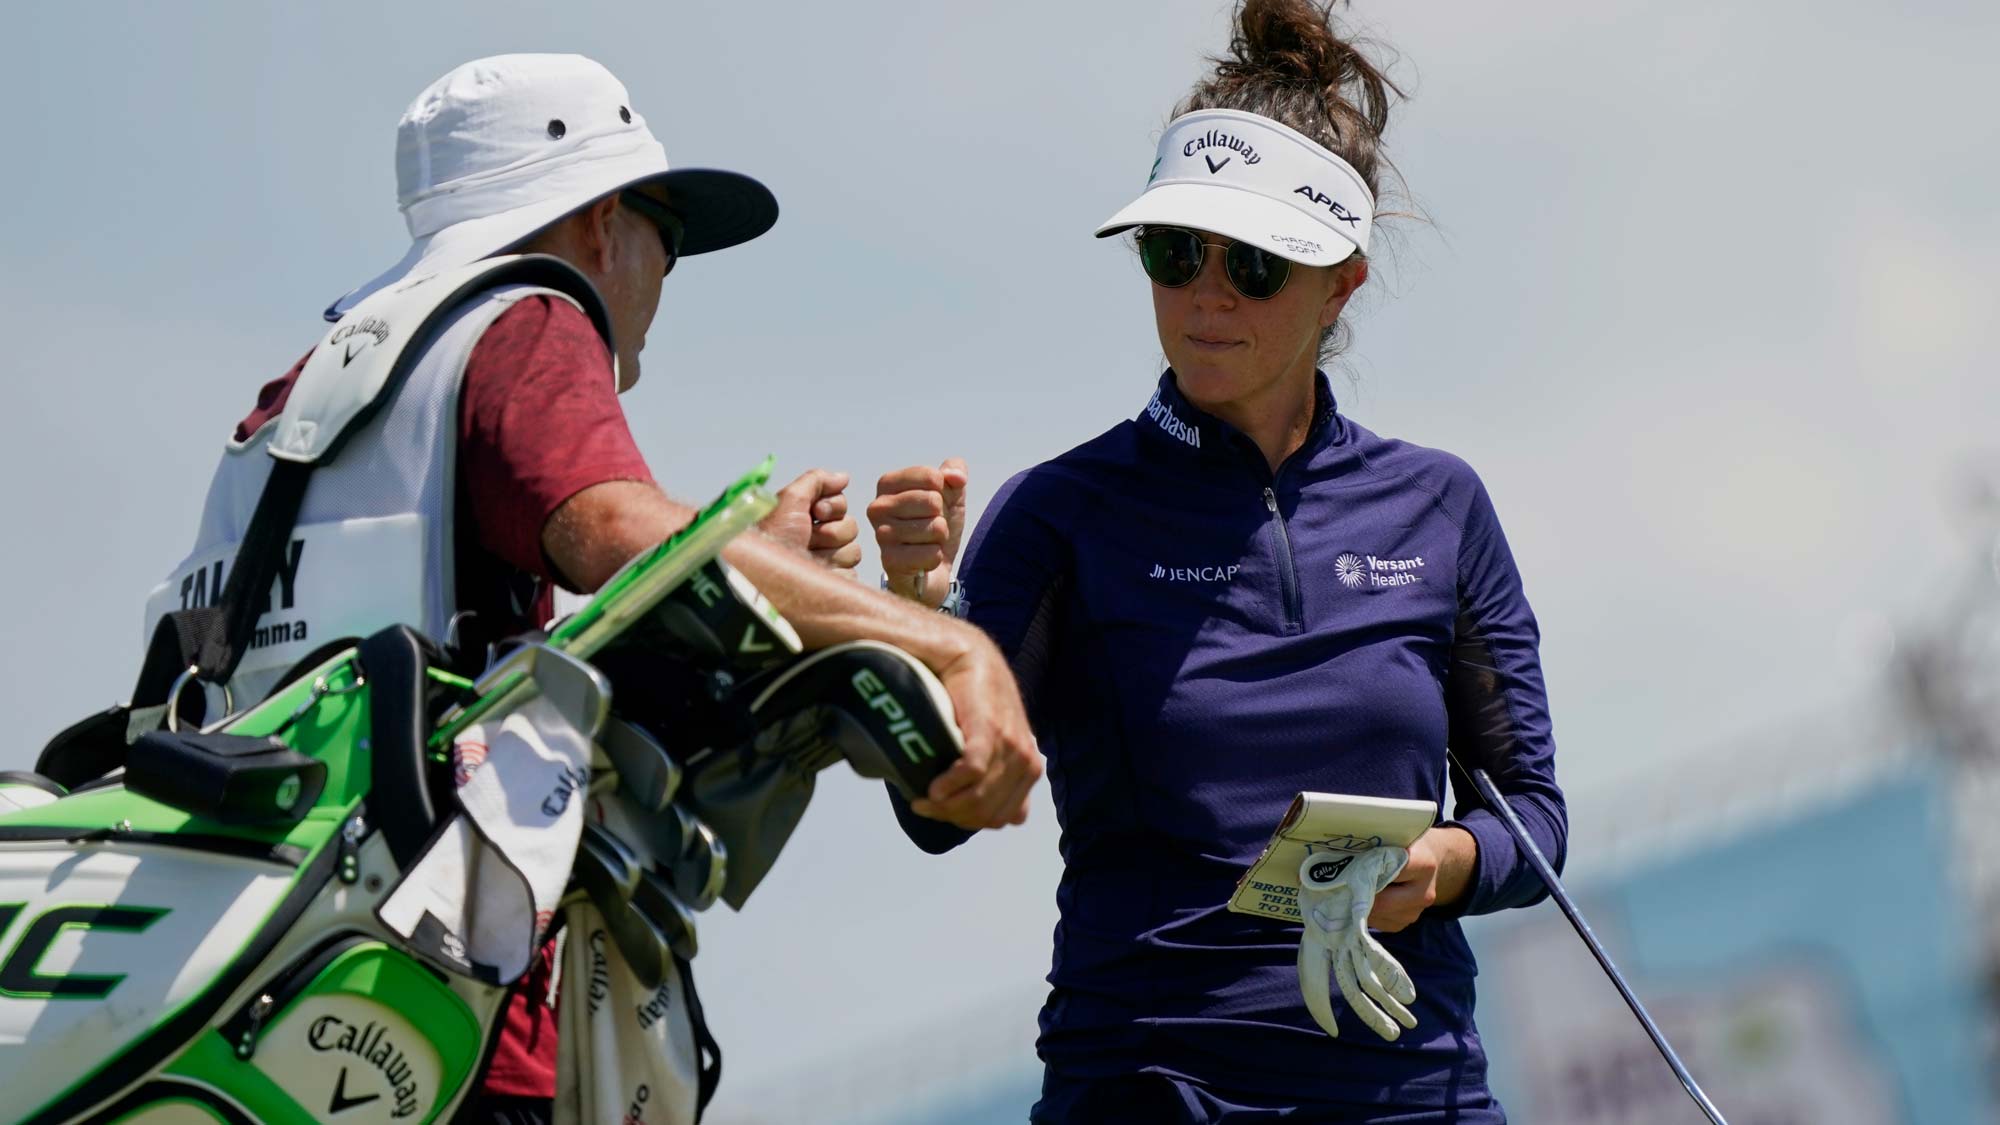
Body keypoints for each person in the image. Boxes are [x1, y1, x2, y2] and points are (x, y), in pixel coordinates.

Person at [147, 54, 1041, 1125]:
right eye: (666, 232)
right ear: (597, 225)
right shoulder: (524, 317)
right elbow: (612, 532)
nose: (665, 271)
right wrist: (952, 647)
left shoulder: (303, 396)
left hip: (253, 1005)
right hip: (438, 1020)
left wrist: (752, 570)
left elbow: (426, 674)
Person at [869, 3, 1564, 1121]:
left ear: (1340, 278)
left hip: (1410, 1092)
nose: (1205, 293)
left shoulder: (1439, 505)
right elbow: (935, 811)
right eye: (1172, 251)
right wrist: (906, 613)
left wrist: (1440, 864)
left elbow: (1532, 819)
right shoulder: (1058, 513)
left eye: (1251, 263)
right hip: (1150, 1089)